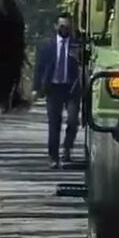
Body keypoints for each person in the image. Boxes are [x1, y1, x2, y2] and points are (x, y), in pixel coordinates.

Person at [34, 13, 81, 169]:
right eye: (61, 26)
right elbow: (39, 68)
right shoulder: (47, 46)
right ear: (56, 26)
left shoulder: (77, 45)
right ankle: (53, 157)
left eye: (67, 26)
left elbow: (84, 65)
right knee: (54, 123)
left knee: (73, 121)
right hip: (53, 88)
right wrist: (36, 88)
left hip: (72, 88)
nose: (64, 29)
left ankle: (67, 149)